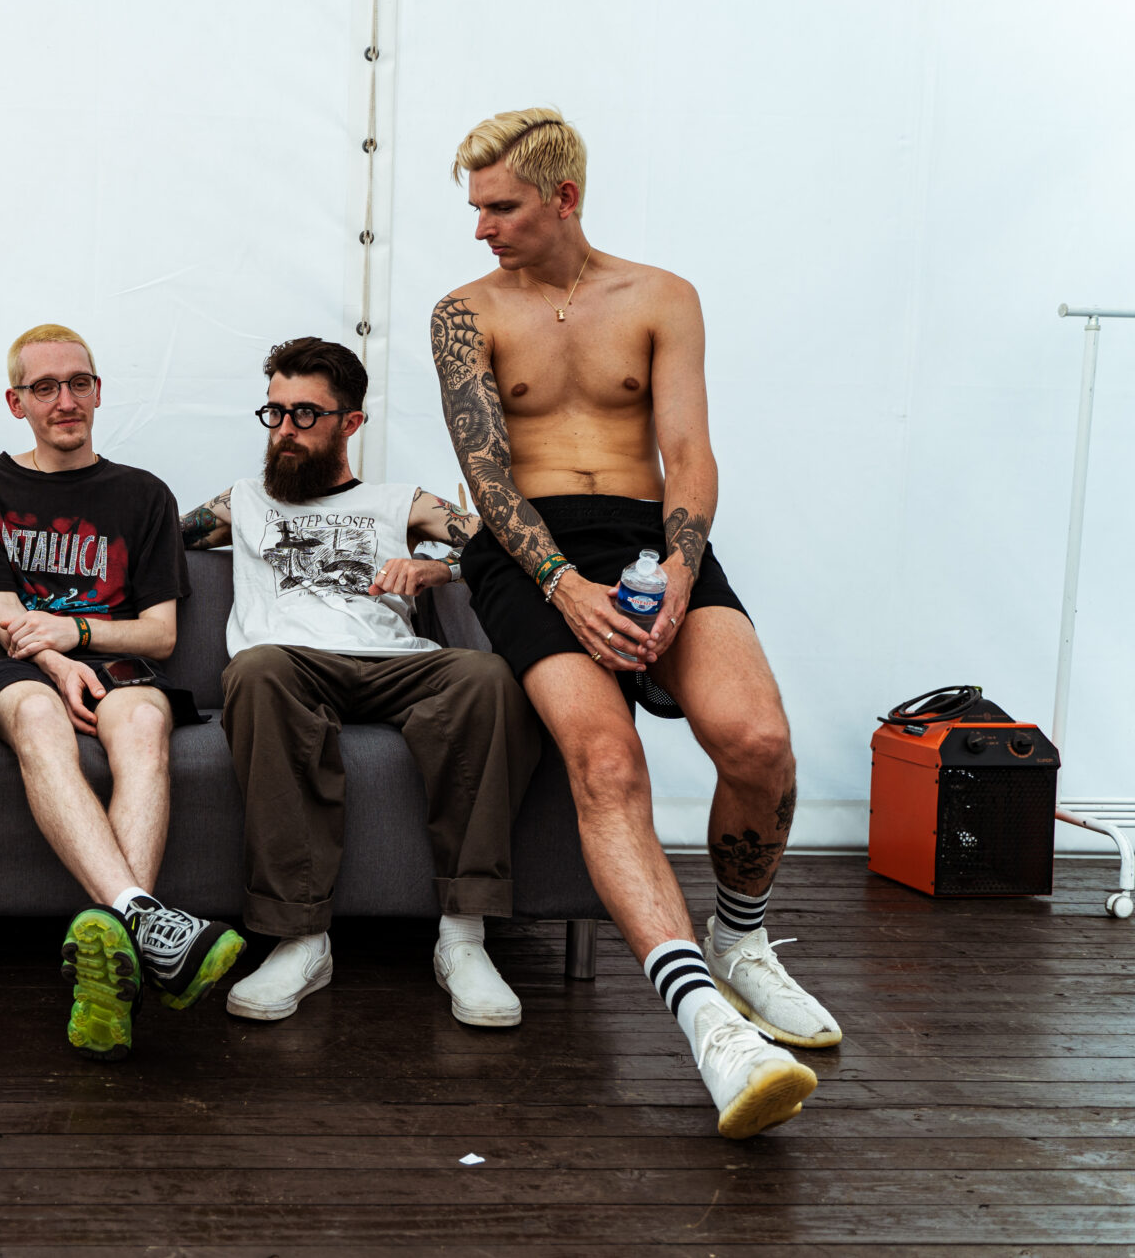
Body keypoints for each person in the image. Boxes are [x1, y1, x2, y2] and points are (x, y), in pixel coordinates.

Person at [430, 108, 839, 1139]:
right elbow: (487, 479)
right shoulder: (463, 314)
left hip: (651, 540)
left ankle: (740, 939)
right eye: (475, 208)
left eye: (500, 206)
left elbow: (687, 452)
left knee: (758, 742)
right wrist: (566, 586)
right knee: (607, 762)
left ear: (563, 197)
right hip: (528, 550)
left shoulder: (661, 296)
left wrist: (679, 568)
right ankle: (709, 1025)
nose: (481, 227)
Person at [179, 338, 542, 1024]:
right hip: (288, 664)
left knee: (486, 675)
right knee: (254, 669)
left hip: (396, 664)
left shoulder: (399, 501)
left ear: (350, 422)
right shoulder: (242, 501)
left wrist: (440, 569)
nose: (285, 430)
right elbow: (154, 547)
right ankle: (299, 938)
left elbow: (508, 547)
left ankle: (463, 937)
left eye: (306, 414)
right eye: (275, 412)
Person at [0, 324, 242, 1061]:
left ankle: (113, 955)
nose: (65, 400)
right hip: (17, 664)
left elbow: (160, 634)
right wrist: (56, 660)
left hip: (112, 662)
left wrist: (78, 634)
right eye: (45, 387)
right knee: (39, 716)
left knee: (144, 726)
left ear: (99, 391)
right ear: (16, 402)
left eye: (78, 383)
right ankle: (148, 923)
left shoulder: (143, 494)